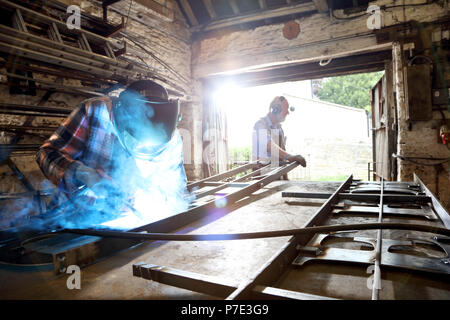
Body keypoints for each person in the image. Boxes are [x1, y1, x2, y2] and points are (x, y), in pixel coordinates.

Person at [36, 80, 188, 223]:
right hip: (74, 218)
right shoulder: (94, 111)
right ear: (121, 116)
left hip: (126, 219)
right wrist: (83, 173)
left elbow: (177, 188)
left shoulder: (171, 137)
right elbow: (46, 154)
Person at [252, 96, 307, 178]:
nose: (288, 113)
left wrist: (286, 178)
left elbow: (282, 155)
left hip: (276, 175)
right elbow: (268, 146)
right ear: (276, 109)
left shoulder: (279, 128)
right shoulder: (260, 125)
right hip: (262, 177)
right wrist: (289, 156)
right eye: (286, 109)